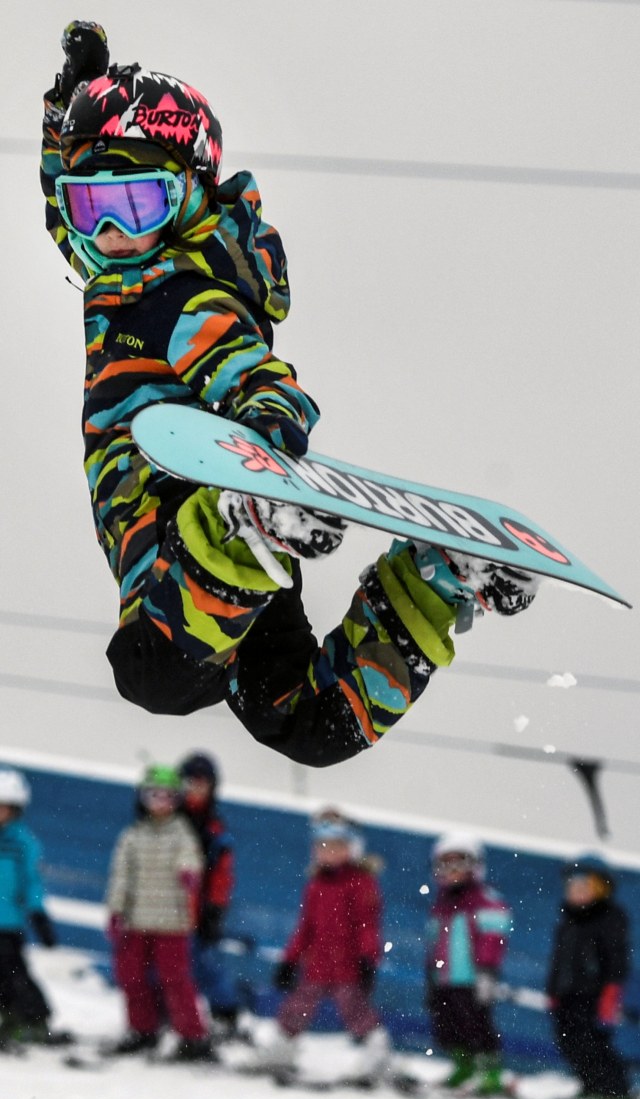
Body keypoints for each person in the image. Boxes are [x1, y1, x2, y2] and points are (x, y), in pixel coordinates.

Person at [41, 22, 539, 770]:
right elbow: (62, 205)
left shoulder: (175, 298)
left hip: (175, 525)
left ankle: (242, 529)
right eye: (91, 210)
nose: (109, 233)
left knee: (154, 672)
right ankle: (436, 581)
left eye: (136, 206)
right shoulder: (122, 266)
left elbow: (257, 377)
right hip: (221, 569)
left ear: (188, 195)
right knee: (308, 723)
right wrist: (67, 110)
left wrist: (267, 444)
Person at [243, 808, 390, 1083]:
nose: (327, 852)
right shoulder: (316, 885)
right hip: (318, 965)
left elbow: (368, 926)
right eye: (322, 846)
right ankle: (282, 1049)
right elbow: (306, 927)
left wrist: (368, 959)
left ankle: (377, 1053)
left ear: (351, 849)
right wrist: (289, 959)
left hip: (347, 966)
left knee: (355, 1011)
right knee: (296, 1007)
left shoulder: (362, 884)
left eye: (335, 847)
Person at [105, 764, 212, 1061]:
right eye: (154, 795)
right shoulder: (132, 836)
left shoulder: (181, 833)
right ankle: (143, 1030)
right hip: (136, 920)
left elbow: (190, 858)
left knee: (175, 978)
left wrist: (189, 873)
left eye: (168, 796)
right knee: (132, 976)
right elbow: (121, 877)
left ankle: (192, 1036)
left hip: (171, 922)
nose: (161, 803)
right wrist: (116, 911)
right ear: (143, 798)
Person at [546, 856, 636, 1099]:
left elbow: (617, 961)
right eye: (572, 887)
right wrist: (553, 990)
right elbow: (558, 960)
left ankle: (615, 1092)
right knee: (570, 1043)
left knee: (593, 1045)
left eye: (584, 887)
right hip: (567, 995)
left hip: (593, 996)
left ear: (602, 889)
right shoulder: (568, 921)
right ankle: (592, 1086)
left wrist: (610, 993)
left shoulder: (610, 920)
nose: (577, 893)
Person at [425, 832, 512, 1095]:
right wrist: (431, 973)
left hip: (472, 979)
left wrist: (486, 971)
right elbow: (434, 942)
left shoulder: (485, 901)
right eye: (445, 865)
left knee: (477, 1025)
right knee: (447, 1025)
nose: (452, 872)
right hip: (444, 979)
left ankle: (490, 1073)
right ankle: (463, 1067)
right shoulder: (442, 904)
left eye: (459, 864)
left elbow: (493, 938)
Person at [0, 767, 70, 1048]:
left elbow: (32, 882)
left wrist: (37, 913)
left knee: (14, 973)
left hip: (9, 924)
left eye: (4, 808)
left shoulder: (23, 843)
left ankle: (36, 1018)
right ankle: (8, 1017)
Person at [178, 750, 243, 1039]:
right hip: (167, 909)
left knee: (205, 965)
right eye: (189, 782)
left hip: (199, 911)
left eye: (201, 783)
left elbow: (222, 874)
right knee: (166, 967)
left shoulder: (214, 828)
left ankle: (226, 1015)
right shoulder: (170, 819)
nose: (194, 789)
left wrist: (215, 910)